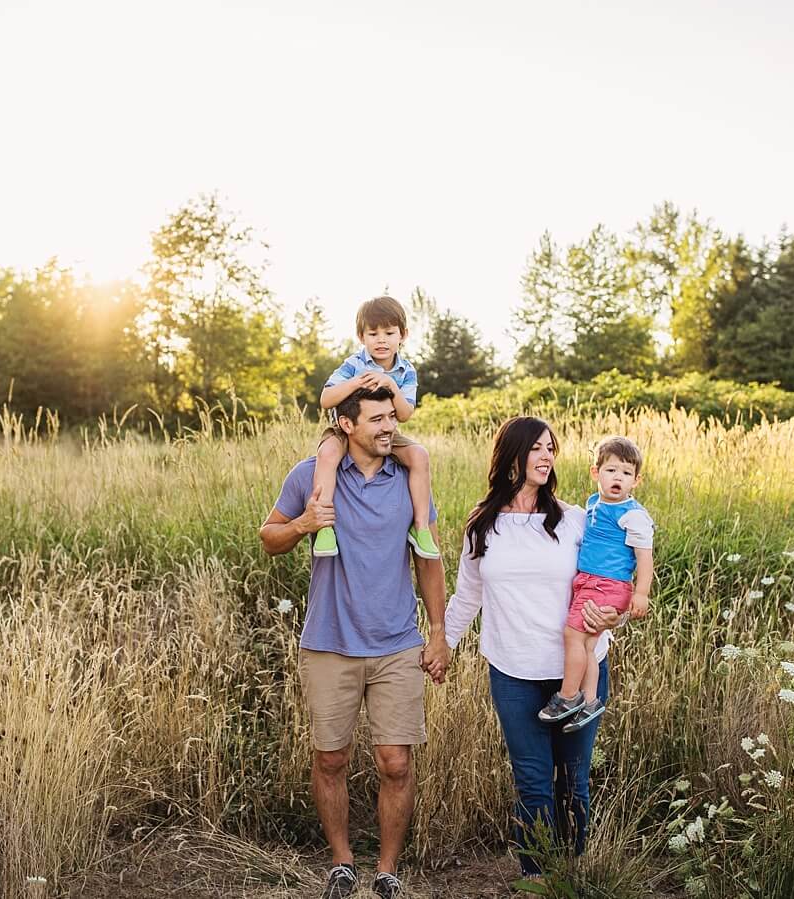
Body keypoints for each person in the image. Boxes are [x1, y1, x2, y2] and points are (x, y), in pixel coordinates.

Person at [259, 383, 451, 899]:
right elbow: (268, 538)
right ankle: (342, 863)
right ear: (347, 424)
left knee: (396, 762)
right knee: (331, 759)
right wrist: (302, 523)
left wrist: (438, 632)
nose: (390, 427)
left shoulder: (409, 476)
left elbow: (427, 560)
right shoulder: (310, 475)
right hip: (328, 643)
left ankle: (386, 870)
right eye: (377, 420)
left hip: (396, 644)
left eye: (393, 417)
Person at [443, 416, 626, 883]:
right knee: (532, 779)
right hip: (514, 672)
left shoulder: (574, 520)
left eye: (552, 449)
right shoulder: (482, 526)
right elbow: (468, 595)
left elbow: (612, 580)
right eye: (538, 448)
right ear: (512, 455)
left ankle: (575, 872)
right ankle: (536, 878)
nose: (547, 457)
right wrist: (442, 643)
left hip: (581, 669)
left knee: (574, 780)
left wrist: (615, 616)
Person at [309, 296, 439, 561]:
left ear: (403, 335)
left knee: (419, 456)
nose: (381, 340)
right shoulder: (354, 364)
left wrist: (391, 386)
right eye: (373, 333)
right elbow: (326, 399)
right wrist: (358, 382)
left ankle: (421, 528)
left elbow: (404, 414)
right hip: (347, 428)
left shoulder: (406, 371)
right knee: (327, 454)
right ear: (361, 336)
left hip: (385, 430)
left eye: (389, 333)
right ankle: (325, 528)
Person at [539, 436, 653, 731]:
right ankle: (590, 701)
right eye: (611, 470)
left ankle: (568, 696)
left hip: (608, 585)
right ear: (595, 473)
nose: (618, 478)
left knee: (572, 636)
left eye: (626, 473)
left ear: (636, 481)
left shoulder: (633, 515)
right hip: (590, 582)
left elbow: (644, 557)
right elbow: (571, 509)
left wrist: (641, 594)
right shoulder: (594, 503)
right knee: (588, 644)